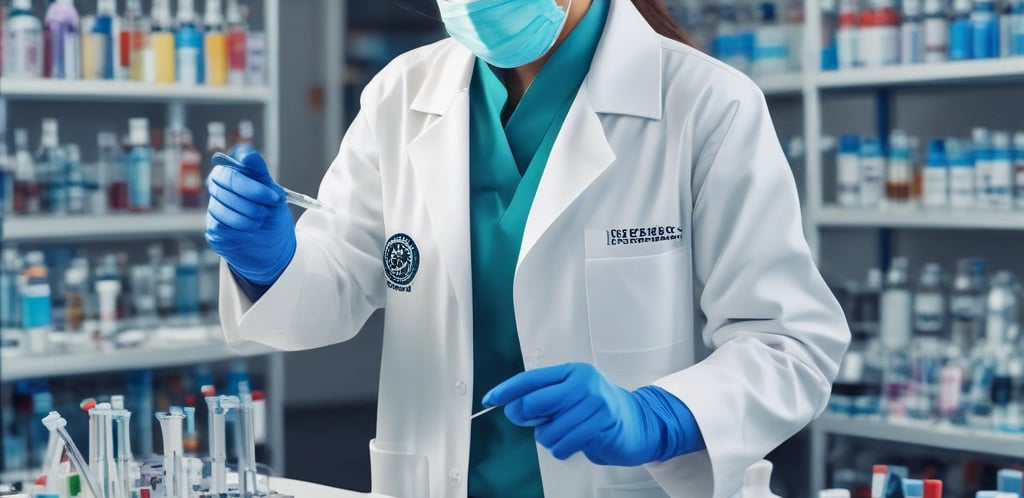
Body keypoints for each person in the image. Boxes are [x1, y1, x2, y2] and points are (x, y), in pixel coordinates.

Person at [205, 0, 851, 496]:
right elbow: (340, 275)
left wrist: (661, 417)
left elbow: (789, 342)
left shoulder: (708, 105)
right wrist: (271, 263)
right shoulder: (400, 96)